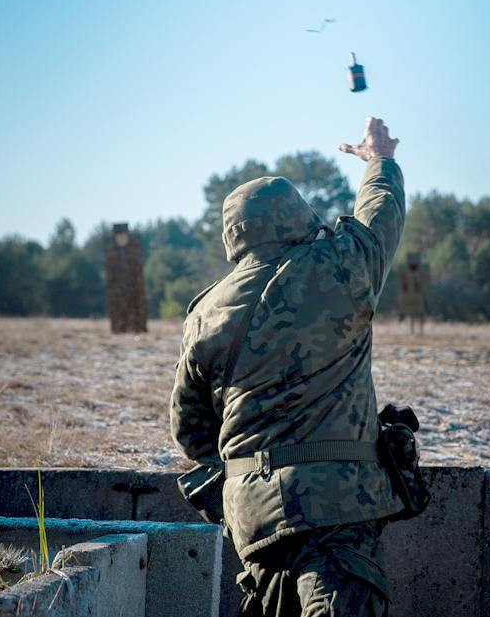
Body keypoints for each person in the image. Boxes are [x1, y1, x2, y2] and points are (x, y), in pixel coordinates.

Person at [170, 117, 405, 616]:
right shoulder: (340, 266)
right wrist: (379, 159)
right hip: (337, 511)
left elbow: (190, 432)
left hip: (252, 519)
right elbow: (381, 212)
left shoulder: (206, 311)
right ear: (300, 218)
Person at [397, 253, 428, 335]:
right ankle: (414, 330)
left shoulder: (415, 274)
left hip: (415, 296)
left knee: (417, 314)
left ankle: (419, 330)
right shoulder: (411, 274)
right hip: (412, 296)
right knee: (413, 314)